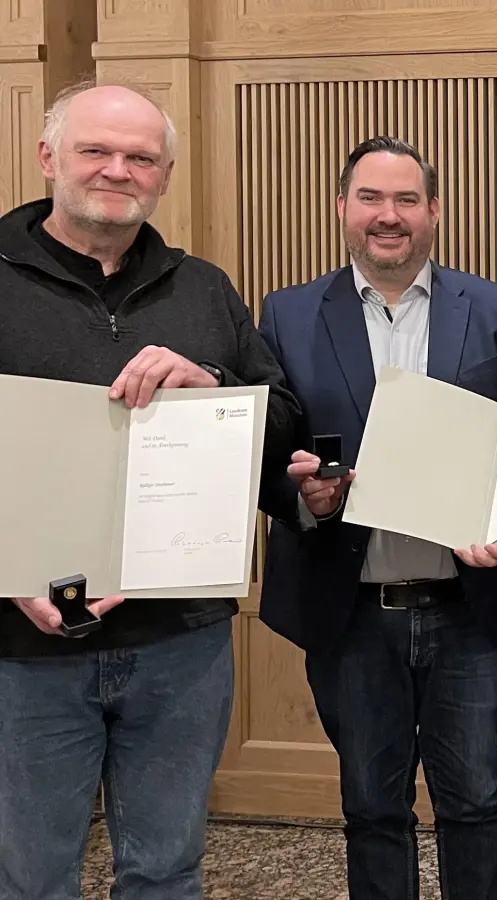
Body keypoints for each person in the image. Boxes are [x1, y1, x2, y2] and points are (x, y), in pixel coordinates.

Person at [0, 81, 301, 899]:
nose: (117, 170)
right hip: (23, 651)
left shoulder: (203, 288)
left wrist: (209, 383)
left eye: (140, 157)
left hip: (181, 644)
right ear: (47, 157)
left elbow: (283, 429)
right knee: (29, 880)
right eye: (96, 150)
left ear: (164, 175)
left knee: (168, 871)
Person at [257, 136, 497, 900]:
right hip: (351, 613)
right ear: (342, 208)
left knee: (475, 804)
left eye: (407, 200)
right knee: (373, 810)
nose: (390, 217)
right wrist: (300, 499)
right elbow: (265, 455)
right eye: (372, 199)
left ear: (435, 211)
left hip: (468, 610)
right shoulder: (284, 315)